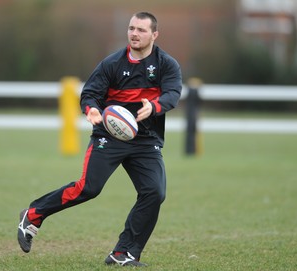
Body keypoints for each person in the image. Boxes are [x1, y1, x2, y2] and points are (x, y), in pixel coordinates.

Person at [17, 11, 182, 267]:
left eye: (141, 30)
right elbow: (90, 93)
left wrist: (156, 106)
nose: (134, 34)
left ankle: (124, 253)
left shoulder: (166, 64)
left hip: (145, 139)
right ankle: (33, 215)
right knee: (89, 188)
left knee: (154, 192)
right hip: (110, 135)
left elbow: (173, 93)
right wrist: (92, 109)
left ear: (154, 34)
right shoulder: (112, 63)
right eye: (131, 28)